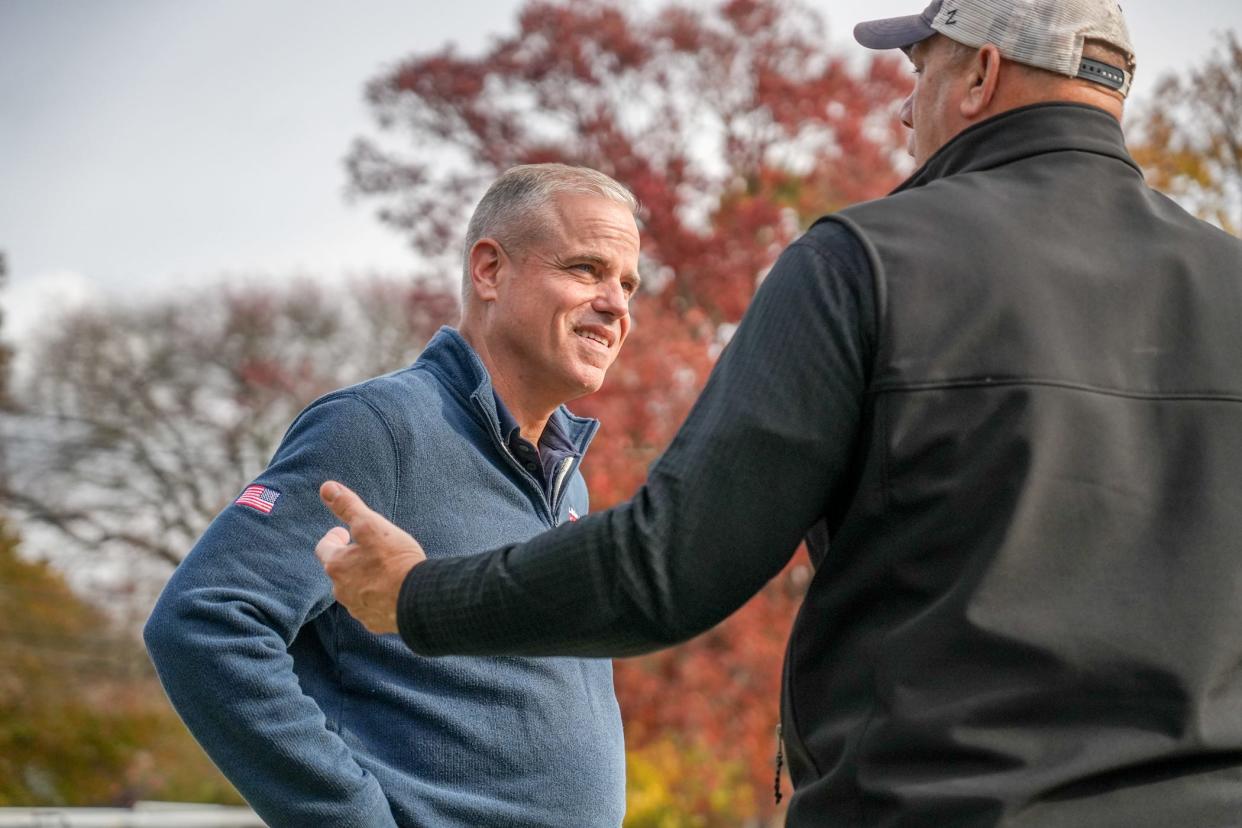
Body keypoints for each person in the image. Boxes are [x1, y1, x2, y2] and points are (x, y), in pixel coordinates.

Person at [318, 1, 1242, 825]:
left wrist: (418, 597)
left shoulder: (867, 263)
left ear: (983, 76)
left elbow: (666, 568)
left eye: (919, 73)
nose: (902, 110)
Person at [145, 163, 642, 827]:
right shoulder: (379, 429)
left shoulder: (564, 474)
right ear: (489, 271)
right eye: (586, 269)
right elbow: (205, 621)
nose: (617, 305)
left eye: (629, 283)